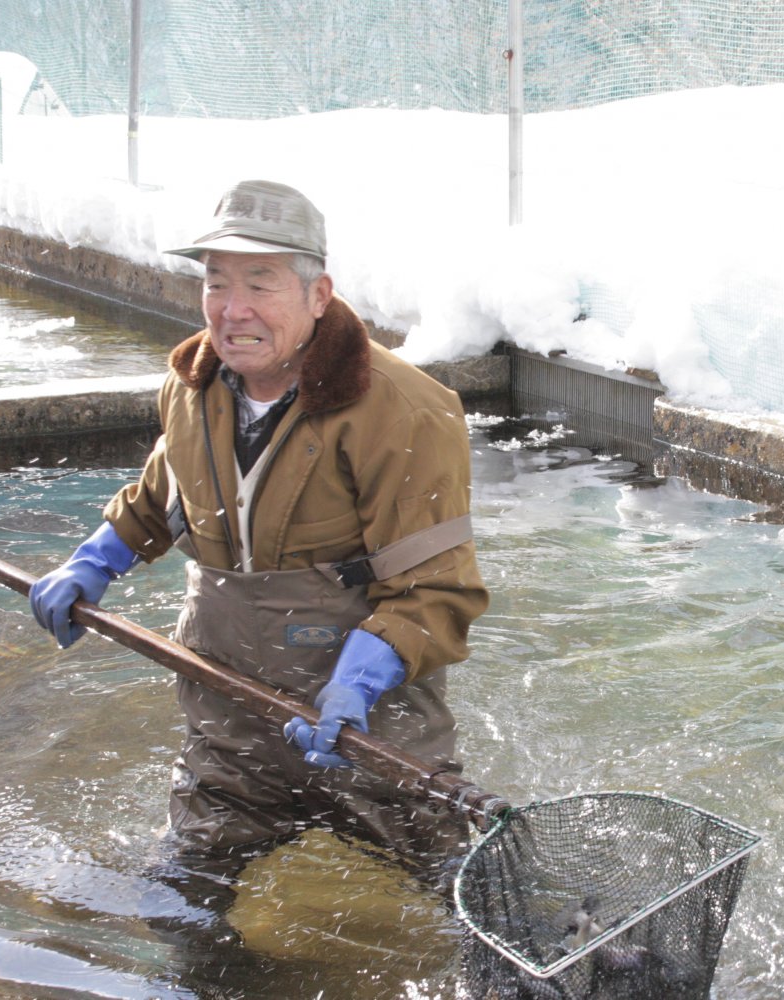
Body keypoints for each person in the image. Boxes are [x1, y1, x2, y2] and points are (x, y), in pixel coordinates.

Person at [27, 178, 489, 937]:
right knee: (181, 917)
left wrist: (359, 683)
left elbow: (440, 591)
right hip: (228, 720)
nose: (231, 309)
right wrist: (94, 561)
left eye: (259, 283)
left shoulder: (404, 409)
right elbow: (162, 497)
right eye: (215, 282)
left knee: (469, 910)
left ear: (318, 294)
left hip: (369, 736)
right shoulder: (193, 385)